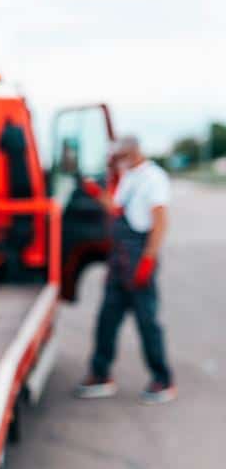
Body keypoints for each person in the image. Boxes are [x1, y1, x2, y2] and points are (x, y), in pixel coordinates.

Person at [75, 135, 176, 404]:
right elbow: (118, 210)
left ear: (132, 153)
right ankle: (100, 374)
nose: (117, 162)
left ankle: (162, 379)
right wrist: (97, 193)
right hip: (119, 261)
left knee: (147, 323)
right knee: (106, 320)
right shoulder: (129, 176)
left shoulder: (154, 179)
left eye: (119, 157)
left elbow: (160, 222)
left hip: (139, 256)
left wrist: (148, 260)